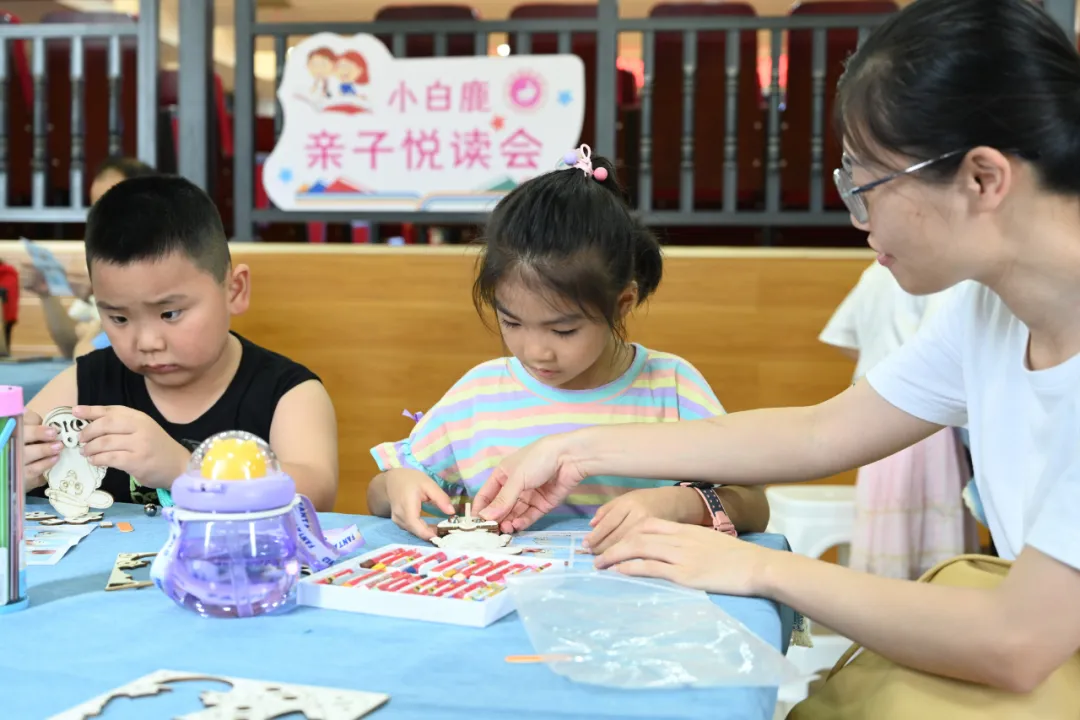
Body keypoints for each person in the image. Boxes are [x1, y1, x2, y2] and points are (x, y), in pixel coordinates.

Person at [473, 0, 1080, 695]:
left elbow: (1014, 641)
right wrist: (573, 450)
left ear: (983, 179)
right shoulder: (989, 310)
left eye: (868, 184)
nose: (859, 218)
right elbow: (822, 432)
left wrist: (757, 567)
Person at [368, 145, 769, 541]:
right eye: (511, 322)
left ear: (622, 304)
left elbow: (753, 506)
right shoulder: (478, 394)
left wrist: (679, 503)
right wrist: (398, 486)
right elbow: (379, 492)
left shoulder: (671, 388)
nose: (535, 352)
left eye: (563, 331)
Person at [20, 175, 339, 510]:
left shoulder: (287, 393)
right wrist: (14, 469)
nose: (147, 342)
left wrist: (188, 469)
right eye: (119, 318)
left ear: (234, 290)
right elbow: (10, 457)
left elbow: (315, 493)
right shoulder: (86, 383)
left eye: (170, 313)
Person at [819, 261, 978, 579]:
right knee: (931, 520)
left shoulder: (874, 272)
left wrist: (880, 366)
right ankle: (932, 588)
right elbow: (945, 351)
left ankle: (881, 591)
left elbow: (841, 337)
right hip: (923, 413)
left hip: (872, 407)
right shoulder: (939, 273)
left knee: (885, 514)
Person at [21, 157, 157, 359]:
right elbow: (70, 346)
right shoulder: (104, 260)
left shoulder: (163, 265)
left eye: (109, 207)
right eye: (95, 208)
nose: (99, 219)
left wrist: (96, 325)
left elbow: (86, 353)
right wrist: (47, 294)